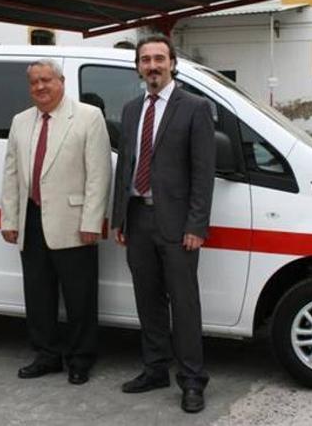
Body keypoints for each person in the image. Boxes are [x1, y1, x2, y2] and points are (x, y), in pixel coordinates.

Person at [111, 35, 216, 413]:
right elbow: (125, 165)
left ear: (172, 63)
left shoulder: (195, 107)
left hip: (177, 225)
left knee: (184, 305)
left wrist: (196, 225)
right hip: (138, 218)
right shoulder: (131, 108)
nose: (152, 66)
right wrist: (119, 217)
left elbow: (204, 173)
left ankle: (191, 381)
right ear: (137, 66)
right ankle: (155, 369)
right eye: (145, 60)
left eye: (159, 59)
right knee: (148, 300)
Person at [0, 59, 111, 385]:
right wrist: (10, 217)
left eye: (46, 80)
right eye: (34, 82)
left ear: (61, 81)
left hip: (74, 222)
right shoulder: (20, 121)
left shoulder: (88, 117)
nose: (40, 87)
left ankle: (80, 358)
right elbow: (10, 173)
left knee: (80, 297)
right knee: (38, 296)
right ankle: (46, 355)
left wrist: (92, 220)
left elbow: (99, 174)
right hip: (31, 219)